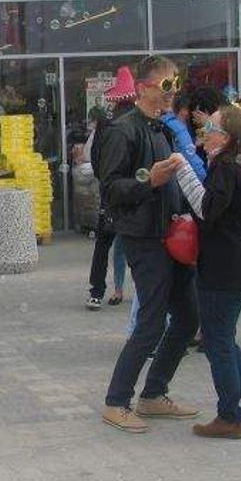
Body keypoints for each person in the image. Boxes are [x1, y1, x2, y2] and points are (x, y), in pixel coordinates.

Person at [96, 55, 201, 433]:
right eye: (166, 85)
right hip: (144, 238)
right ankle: (116, 401)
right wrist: (149, 182)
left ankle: (153, 394)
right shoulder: (123, 130)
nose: (173, 92)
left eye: (176, 84)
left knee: (189, 318)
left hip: (171, 235)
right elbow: (110, 191)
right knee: (152, 322)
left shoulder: (164, 128)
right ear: (143, 88)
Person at [171, 106, 241, 439]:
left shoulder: (226, 167)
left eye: (211, 128)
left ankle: (229, 416)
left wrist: (183, 172)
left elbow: (207, 209)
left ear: (226, 136)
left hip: (224, 270)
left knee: (217, 343)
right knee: (224, 338)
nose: (204, 133)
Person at [85, 67, 135, 310]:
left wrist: (104, 179)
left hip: (110, 194)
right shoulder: (140, 123)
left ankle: (96, 292)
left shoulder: (106, 126)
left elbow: (95, 158)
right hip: (134, 194)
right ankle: (145, 291)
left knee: (103, 245)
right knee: (137, 245)